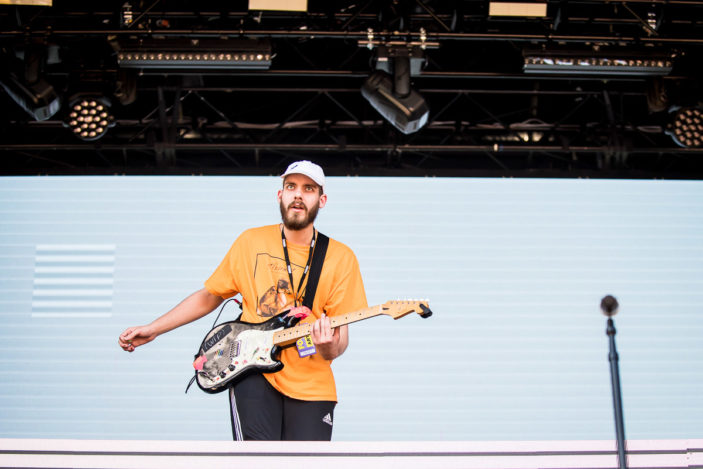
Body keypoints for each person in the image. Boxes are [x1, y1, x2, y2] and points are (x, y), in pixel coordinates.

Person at [117, 160, 368, 441]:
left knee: (306, 462)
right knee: (257, 460)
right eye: (291, 187)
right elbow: (210, 295)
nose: (298, 194)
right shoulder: (250, 242)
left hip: (313, 385)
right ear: (280, 195)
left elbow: (338, 343)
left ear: (322, 200)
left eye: (308, 189)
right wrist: (153, 329)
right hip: (254, 373)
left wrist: (327, 346)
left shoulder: (341, 258)